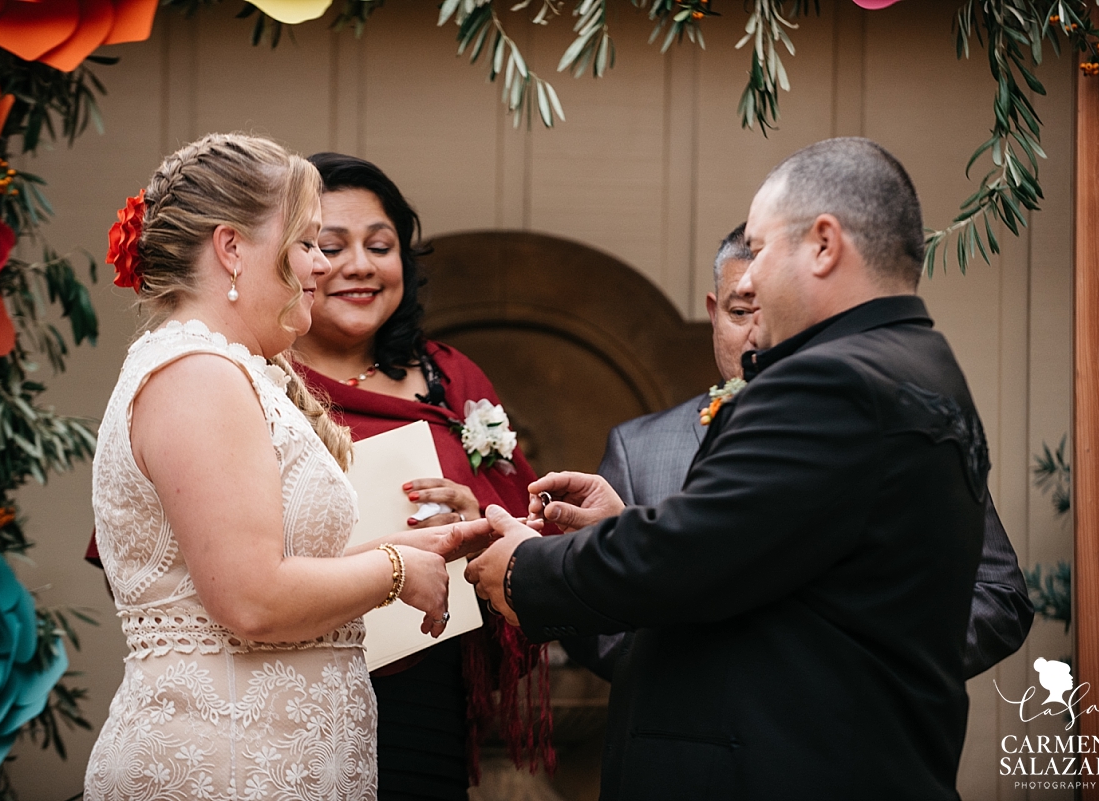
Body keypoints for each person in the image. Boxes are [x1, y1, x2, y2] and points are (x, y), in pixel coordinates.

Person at [468, 137, 989, 800]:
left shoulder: (829, 380)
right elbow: (777, 553)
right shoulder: (923, 366)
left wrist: (524, 567)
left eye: (761, 248)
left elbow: (690, 550)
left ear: (824, 245)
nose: (745, 280)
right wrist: (626, 524)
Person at [84, 134, 486, 800]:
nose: (316, 266)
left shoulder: (228, 369)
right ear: (232, 248)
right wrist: (393, 571)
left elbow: (266, 559)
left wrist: (418, 545)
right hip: (227, 768)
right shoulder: (197, 376)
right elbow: (250, 598)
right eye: (305, 243)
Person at [568, 224, 1033, 682]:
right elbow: (594, 626)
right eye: (740, 312)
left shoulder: (892, 426)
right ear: (714, 313)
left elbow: (997, 596)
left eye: (777, 313)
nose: (759, 335)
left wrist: (864, 666)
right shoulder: (637, 449)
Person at [289, 153, 554, 801]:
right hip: (287, 679)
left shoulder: (449, 375)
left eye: (380, 245)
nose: (359, 264)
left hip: (422, 686)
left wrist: (478, 513)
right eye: (330, 246)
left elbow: (530, 523)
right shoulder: (251, 375)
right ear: (289, 259)